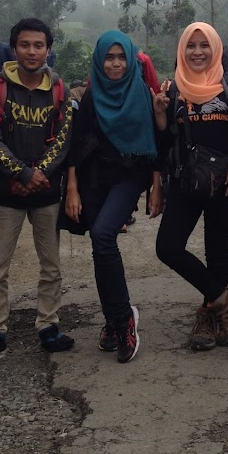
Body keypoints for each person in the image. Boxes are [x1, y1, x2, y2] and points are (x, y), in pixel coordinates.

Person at [0, 17, 73, 363]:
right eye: (26, 45)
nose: (32, 51)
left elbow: (63, 140)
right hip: (5, 191)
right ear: (14, 49)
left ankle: (48, 324)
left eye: (39, 45)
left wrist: (37, 175)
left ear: (48, 49)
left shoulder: (60, 90)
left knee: (51, 265)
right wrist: (23, 172)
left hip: (45, 192)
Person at [64, 30, 163, 364]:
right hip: (92, 178)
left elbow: (155, 144)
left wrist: (155, 186)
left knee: (104, 234)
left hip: (128, 176)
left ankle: (124, 321)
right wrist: (73, 189)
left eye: (122, 57)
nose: (116, 63)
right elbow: (75, 146)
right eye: (110, 57)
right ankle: (111, 319)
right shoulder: (90, 97)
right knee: (99, 246)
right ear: (99, 60)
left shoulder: (142, 93)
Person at [155, 22, 228, 351]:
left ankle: (210, 317)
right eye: (190, 46)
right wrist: (160, 115)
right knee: (167, 247)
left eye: (204, 45)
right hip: (187, 179)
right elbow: (166, 141)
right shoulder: (173, 89)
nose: (197, 52)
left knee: (216, 250)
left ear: (216, 49)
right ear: (181, 50)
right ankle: (226, 299)